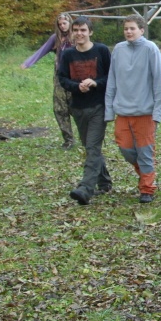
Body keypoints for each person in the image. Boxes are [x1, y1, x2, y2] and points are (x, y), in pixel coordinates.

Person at [105, 14, 161, 203]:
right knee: (126, 149)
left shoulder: (150, 49)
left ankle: (147, 189)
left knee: (145, 151)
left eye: (132, 28)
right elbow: (112, 80)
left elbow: (159, 82)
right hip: (123, 111)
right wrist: (109, 109)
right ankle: (147, 176)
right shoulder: (118, 50)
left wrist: (157, 112)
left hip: (145, 112)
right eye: (126, 29)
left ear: (141, 30)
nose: (129, 32)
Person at [57, 16, 112, 205]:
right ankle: (104, 182)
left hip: (98, 107)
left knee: (92, 147)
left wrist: (95, 82)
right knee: (90, 146)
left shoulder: (101, 51)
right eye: (76, 30)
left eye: (83, 30)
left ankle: (85, 188)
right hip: (78, 108)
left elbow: (111, 76)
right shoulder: (68, 55)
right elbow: (62, 78)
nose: (79, 34)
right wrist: (76, 86)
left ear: (90, 32)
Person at [22, 12, 76, 148]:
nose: (62, 26)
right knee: (59, 108)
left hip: (76, 77)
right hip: (60, 77)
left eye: (64, 23)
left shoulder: (76, 36)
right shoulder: (55, 38)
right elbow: (42, 50)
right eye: (60, 24)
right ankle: (68, 140)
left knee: (77, 108)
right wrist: (28, 63)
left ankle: (87, 137)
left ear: (70, 23)